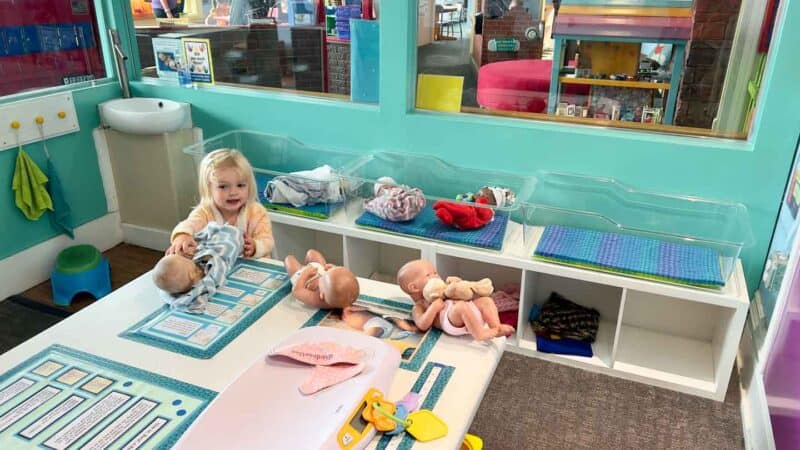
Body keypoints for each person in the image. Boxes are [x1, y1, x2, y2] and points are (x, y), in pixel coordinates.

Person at [167, 148, 274, 260]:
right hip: (217, 267)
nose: (233, 192)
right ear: (209, 188)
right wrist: (182, 235)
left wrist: (255, 246)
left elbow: (267, 241)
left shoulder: (257, 212)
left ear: (249, 185)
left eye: (240, 185)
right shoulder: (205, 212)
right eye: (223, 187)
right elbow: (189, 224)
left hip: (252, 267)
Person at [397, 259, 514, 341]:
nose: (436, 276)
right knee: (461, 307)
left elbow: (459, 294)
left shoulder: (441, 291)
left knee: (486, 300)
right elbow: (422, 325)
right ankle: (480, 334)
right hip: (450, 322)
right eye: (429, 275)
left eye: (435, 273)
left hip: (467, 313)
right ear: (414, 287)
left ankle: (496, 327)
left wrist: (455, 285)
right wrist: (433, 309)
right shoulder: (419, 306)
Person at [154, 223, 243, 313]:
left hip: (208, 245)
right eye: (185, 259)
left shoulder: (183, 277)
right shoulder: (201, 286)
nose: (188, 258)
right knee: (230, 241)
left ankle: (221, 231)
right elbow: (197, 304)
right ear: (193, 274)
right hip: (219, 253)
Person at [284, 249, 360, 309]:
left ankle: (298, 266)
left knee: (289, 259)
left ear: (321, 295)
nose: (325, 273)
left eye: (323, 278)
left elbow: (297, 291)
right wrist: (333, 268)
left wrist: (304, 274)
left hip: (301, 278)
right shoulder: (334, 294)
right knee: (312, 252)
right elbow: (337, 280)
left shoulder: (316, 299)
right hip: (319, 269)